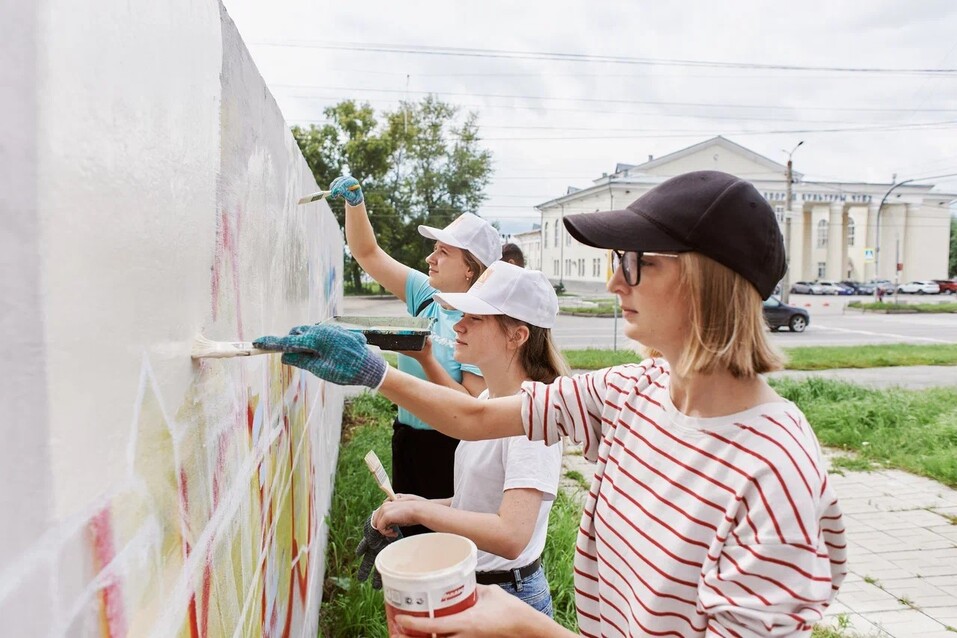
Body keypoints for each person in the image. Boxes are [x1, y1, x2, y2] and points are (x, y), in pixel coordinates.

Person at [257, 170, 848, 637]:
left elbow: (508, 525)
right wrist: (373, 371)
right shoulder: (631, 391)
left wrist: (527, 627)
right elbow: (474, 416)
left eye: (634, 262)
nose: (616, 283)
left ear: (706, 279)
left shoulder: (774, 471)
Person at [372, 261, 568, 615]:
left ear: (517, 336)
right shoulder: (488, 400)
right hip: (478, 586)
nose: (458, 325)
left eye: (475, 318)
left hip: (510, 597)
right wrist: (421, 504)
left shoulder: (532, 421)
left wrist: (421, 511)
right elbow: (481, 500)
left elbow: (511, 535)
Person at [328, 175, 502, 534]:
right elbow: (367, 253)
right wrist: (355, 203)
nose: (430, 257)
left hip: (448, 446)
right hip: (406, 435)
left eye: (443, 252)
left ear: (470, 268)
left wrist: (427, 361)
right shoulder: (425, 294)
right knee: (406, 532)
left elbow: (472, 404)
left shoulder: (478, 321)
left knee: (442, 543)